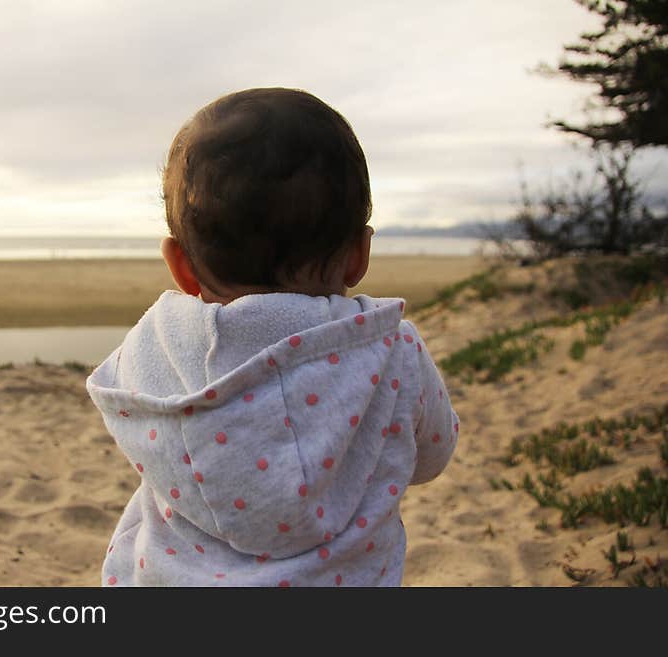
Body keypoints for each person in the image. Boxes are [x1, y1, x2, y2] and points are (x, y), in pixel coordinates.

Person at [86, 88, 458, 586]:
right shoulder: (392, 352)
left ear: (181, 267)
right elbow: (433, 453)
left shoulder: (154, 352)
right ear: (358, 255)